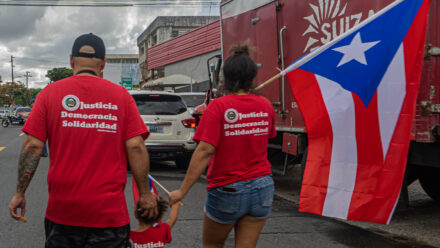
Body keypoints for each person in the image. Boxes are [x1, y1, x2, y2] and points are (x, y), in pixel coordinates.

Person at [8, 33, 158, 247]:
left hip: (62, 214)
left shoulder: (49, 94)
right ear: (103, 63)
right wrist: (145, 194)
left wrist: (20, 193)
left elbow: (32, 146)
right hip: (109, 215)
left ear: (71, 60)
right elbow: (135, 145)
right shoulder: (121, 96)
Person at [169, 44, 277, 248]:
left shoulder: (218, 107)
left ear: (224, 78)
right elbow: (265, 138)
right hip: (262, 187)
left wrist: (182, 192)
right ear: (252, 77)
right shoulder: (265, 105)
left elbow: (204, 151)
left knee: (212, 245)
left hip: (228, 189)